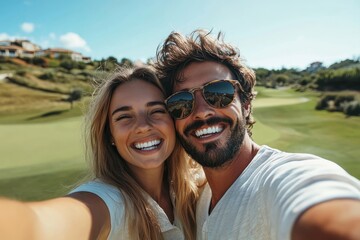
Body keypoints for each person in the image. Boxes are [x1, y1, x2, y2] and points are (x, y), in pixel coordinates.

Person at [155, 29, 360, 240]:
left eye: (219, 93)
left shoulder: (279, 179)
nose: (201, 111)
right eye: (181, 102)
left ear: (246, 104)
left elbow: (318, 200)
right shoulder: (199, 198)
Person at [0, 66, 201, 240]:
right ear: (109, 134)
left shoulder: (195, 188)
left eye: (157, 111)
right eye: (124, 116)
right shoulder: (106, 201)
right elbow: (40, 225)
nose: (142, 127)